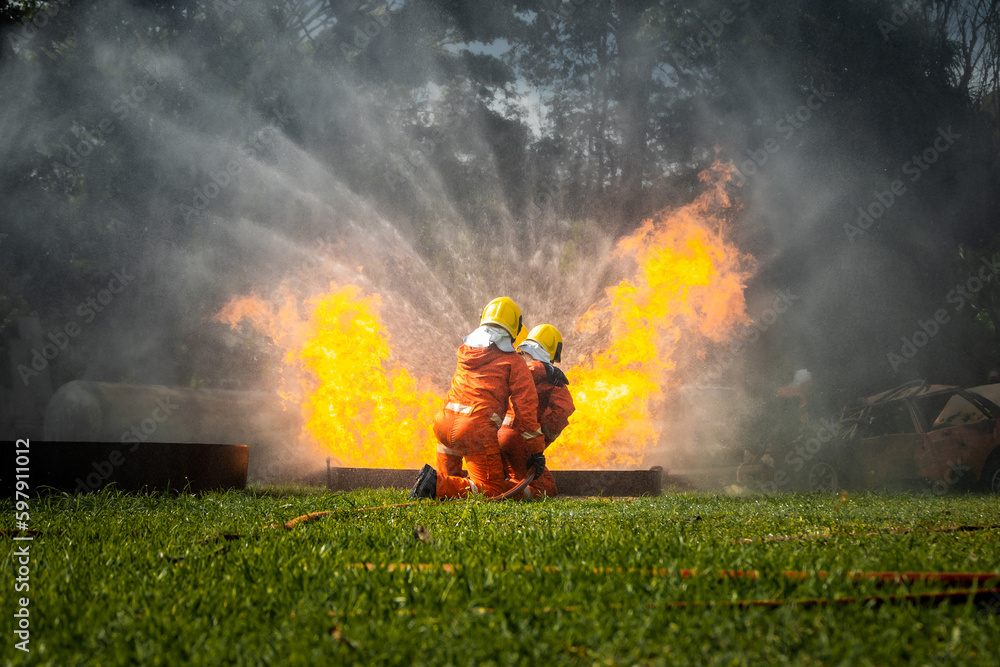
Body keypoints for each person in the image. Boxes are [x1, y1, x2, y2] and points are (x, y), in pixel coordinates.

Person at [409, 297, 545, 499]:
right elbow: (525, 409)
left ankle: (433, 484)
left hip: (443, 425)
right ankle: (434, 485)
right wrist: (536, 451)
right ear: (514, 328)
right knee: (491, 489)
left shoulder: (465, 352)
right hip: (475, 432)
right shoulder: (513, 362)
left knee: (453, 488)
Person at [498, 324, 575, 498]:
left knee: (493, 476)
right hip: (521, 442)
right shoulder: (554, 382)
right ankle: (488, 490)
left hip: (496, 436)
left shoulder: (515, 368)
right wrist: (542, 441)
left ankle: (461, 485)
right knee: (546, 488)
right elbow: (563, 410)